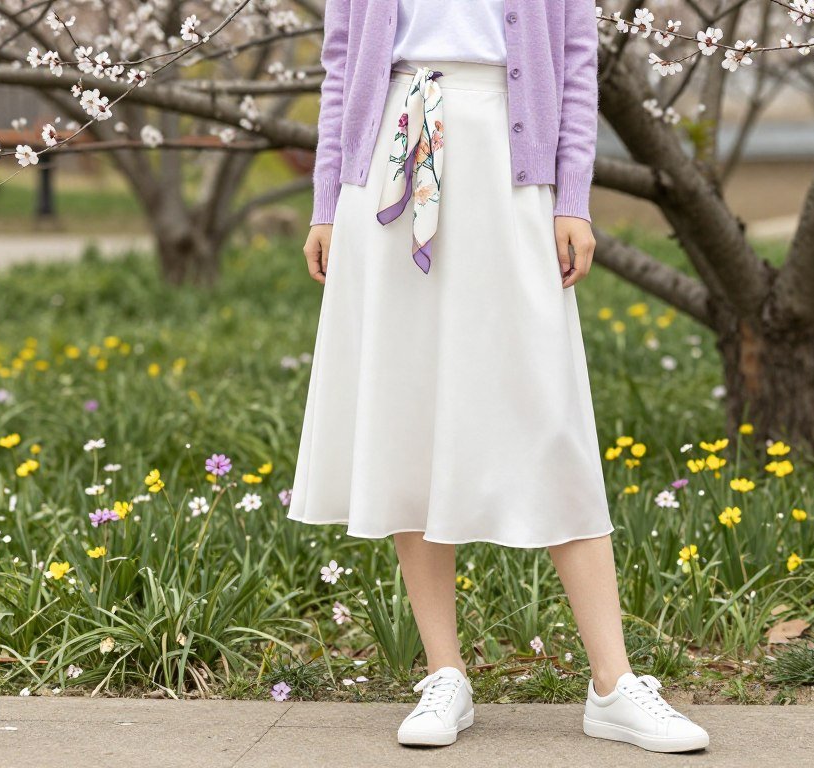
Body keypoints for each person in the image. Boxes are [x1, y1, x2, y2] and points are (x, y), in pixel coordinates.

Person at [288, 0, 710, 754]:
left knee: (549, 413)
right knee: (407, 406)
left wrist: (571, 195)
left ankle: (613, 684)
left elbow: (576, 62)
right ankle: (444, 672)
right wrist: (327, 197)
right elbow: (342, 61)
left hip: (508, 164)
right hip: (389, 157)